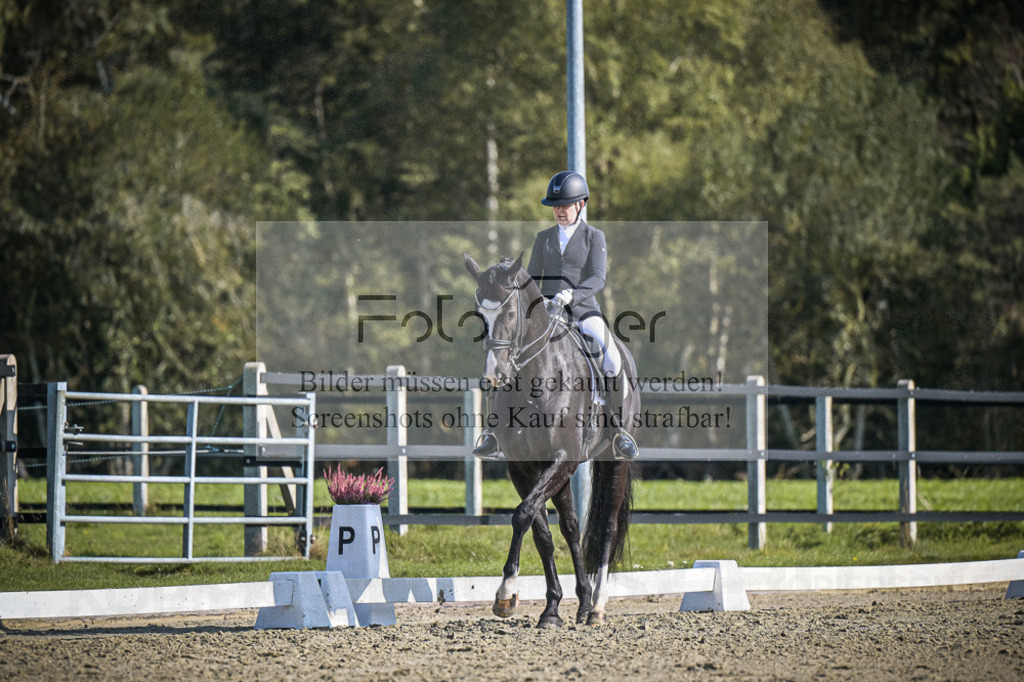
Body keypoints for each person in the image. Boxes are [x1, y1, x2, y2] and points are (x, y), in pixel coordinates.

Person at [473, 170, 639, 461]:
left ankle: (617, 431)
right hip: (547, 313)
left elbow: (598, 279)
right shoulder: (544, 238)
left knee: (611, 357)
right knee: (506, 357)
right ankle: (494, 431)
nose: (559, 210)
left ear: (581, 205)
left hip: (584, 312)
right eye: (555, 206)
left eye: (565, 205)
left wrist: (572, 295)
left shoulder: (593, 237)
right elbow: (533, 278)